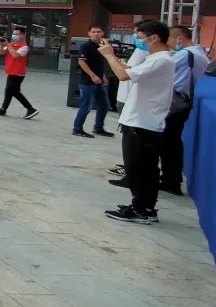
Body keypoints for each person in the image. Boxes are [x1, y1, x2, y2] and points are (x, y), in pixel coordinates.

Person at [100, 20, 176, 224]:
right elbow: (130, 71)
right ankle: (145, 207)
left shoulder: (161, 60)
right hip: (142, 120)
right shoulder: (157, 59)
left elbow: (122, 75)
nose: (139, 41)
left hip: (143, 122)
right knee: (144, 168)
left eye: (141, 38)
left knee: (138, 169)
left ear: (154, 38)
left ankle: (141, 209)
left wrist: (109, 55)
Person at [160, 25, 209, 196]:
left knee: (169, 143)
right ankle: (171, 179)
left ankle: (170, 180)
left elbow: (161, 73)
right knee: (173, 142)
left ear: (179, 38)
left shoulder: (183, 55)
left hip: (177, 103)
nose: (169, 44)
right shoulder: (200, 54)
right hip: (186, 103)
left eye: (169, 40)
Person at [109, 22, 151, 180]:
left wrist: (110, 56)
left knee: (131, 138)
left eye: (138, 35)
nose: (136, 38)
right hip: (126, 95)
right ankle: (129, 165)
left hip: (129, 97)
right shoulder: (142, 51)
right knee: (128, 137)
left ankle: (131, 169)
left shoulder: (146, 52)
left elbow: (124, 73)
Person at [73, 25, 114, 138]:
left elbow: (99, 64)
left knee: (104, 105)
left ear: (103, 33)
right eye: (93, 32)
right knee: (86, 106)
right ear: (89, 33)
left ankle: (98, 128)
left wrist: (103, 76)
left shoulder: (101, 47)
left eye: (98, 32)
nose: (96, 34)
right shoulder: (86, 46)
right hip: (87, 81)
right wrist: (93, 76)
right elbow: (82, 62)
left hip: (99, 81)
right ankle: (77, 129)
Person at [0, 26, 39, 119]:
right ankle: (3, 109)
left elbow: (15, 55)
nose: (14, 36)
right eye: (13, 34)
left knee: (12, 91)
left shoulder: (24, 47)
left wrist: (8, 45)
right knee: (10, 91)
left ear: (22, 35)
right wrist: (1, 44)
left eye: (17, 34)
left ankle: (30, 108)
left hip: (18, 73)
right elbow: (1, 52)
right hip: (11, 71)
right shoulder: (12, 44)